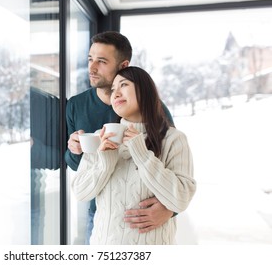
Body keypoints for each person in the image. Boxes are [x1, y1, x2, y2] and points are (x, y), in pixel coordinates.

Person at [65, 31, 175, 244]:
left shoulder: (155, 109)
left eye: (102, 61)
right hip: (102, 216)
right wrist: (73, 150)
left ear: (123, 66)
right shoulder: (76, 106)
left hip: (145, 219)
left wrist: (170, 210)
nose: (92, 67)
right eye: (90, 59)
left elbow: (174, 166)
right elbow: (80, 169)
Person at [71, 66, 196, 244]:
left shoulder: (173, 139)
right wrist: (105, 164)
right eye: (113, 89)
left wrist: (142, 155)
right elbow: (80, 193)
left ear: (145, 91)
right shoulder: (101, 136)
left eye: (124, 85)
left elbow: (181, 199)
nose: (115, 93)